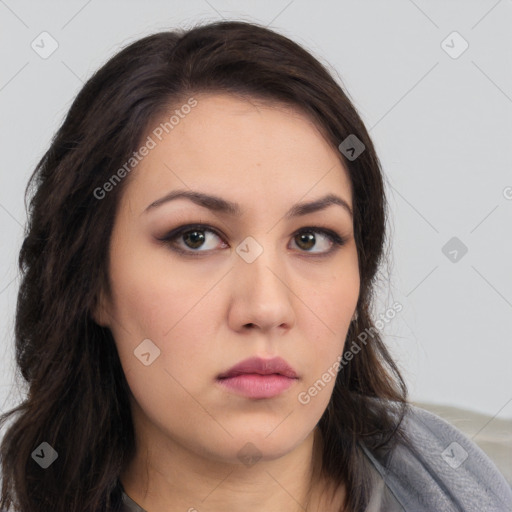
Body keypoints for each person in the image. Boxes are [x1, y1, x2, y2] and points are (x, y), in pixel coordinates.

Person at [0, 20, 510, 512]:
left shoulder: (477, 478)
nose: (266, 308)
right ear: (92, 281)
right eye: (196, 238)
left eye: (311, 239)